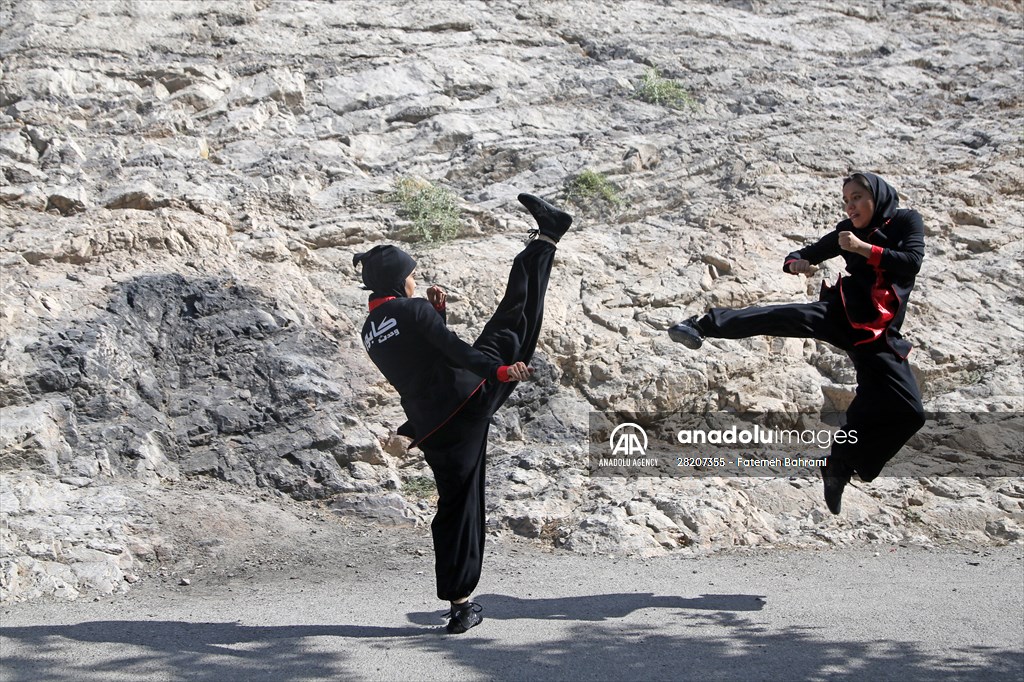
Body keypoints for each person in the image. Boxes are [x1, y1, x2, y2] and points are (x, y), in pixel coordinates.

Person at [354, 193, 572, 634]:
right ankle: (548, 235)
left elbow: (416, 358)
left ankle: (460, 603)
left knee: (455, 504)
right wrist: (500, 369)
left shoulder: (371, 329)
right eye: (412, 275)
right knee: (514, 319)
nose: (416, 282)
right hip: (467, 396)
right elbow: (452, 350)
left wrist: (437, 313)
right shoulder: (412, 308)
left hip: (433, 425)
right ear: (399, 279)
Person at [668, 172, 926, 514]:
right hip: (842, 313)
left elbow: (912, 262)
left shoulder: (906, 220)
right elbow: (801, 254)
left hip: (880, 335)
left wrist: (863, 248)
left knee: (909, 413)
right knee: (782, 316)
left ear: (876, 196)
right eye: (846, 200)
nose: (850, 206)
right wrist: (796, 264)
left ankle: (839, 464)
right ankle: (700, 324)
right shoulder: (844, 232)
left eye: (857, 197)